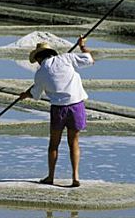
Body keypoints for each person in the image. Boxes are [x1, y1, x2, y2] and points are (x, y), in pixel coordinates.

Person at [19, 37, 94, 187]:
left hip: (59, 109)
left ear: (39, 58)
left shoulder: (40, 73)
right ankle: (75, 177)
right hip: (76, 106)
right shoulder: (65, 58)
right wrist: (82, 46)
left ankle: (51, 177)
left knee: (54, 144)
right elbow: (89, 59)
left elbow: (35, 93)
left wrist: (24, 95)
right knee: (74, 142)